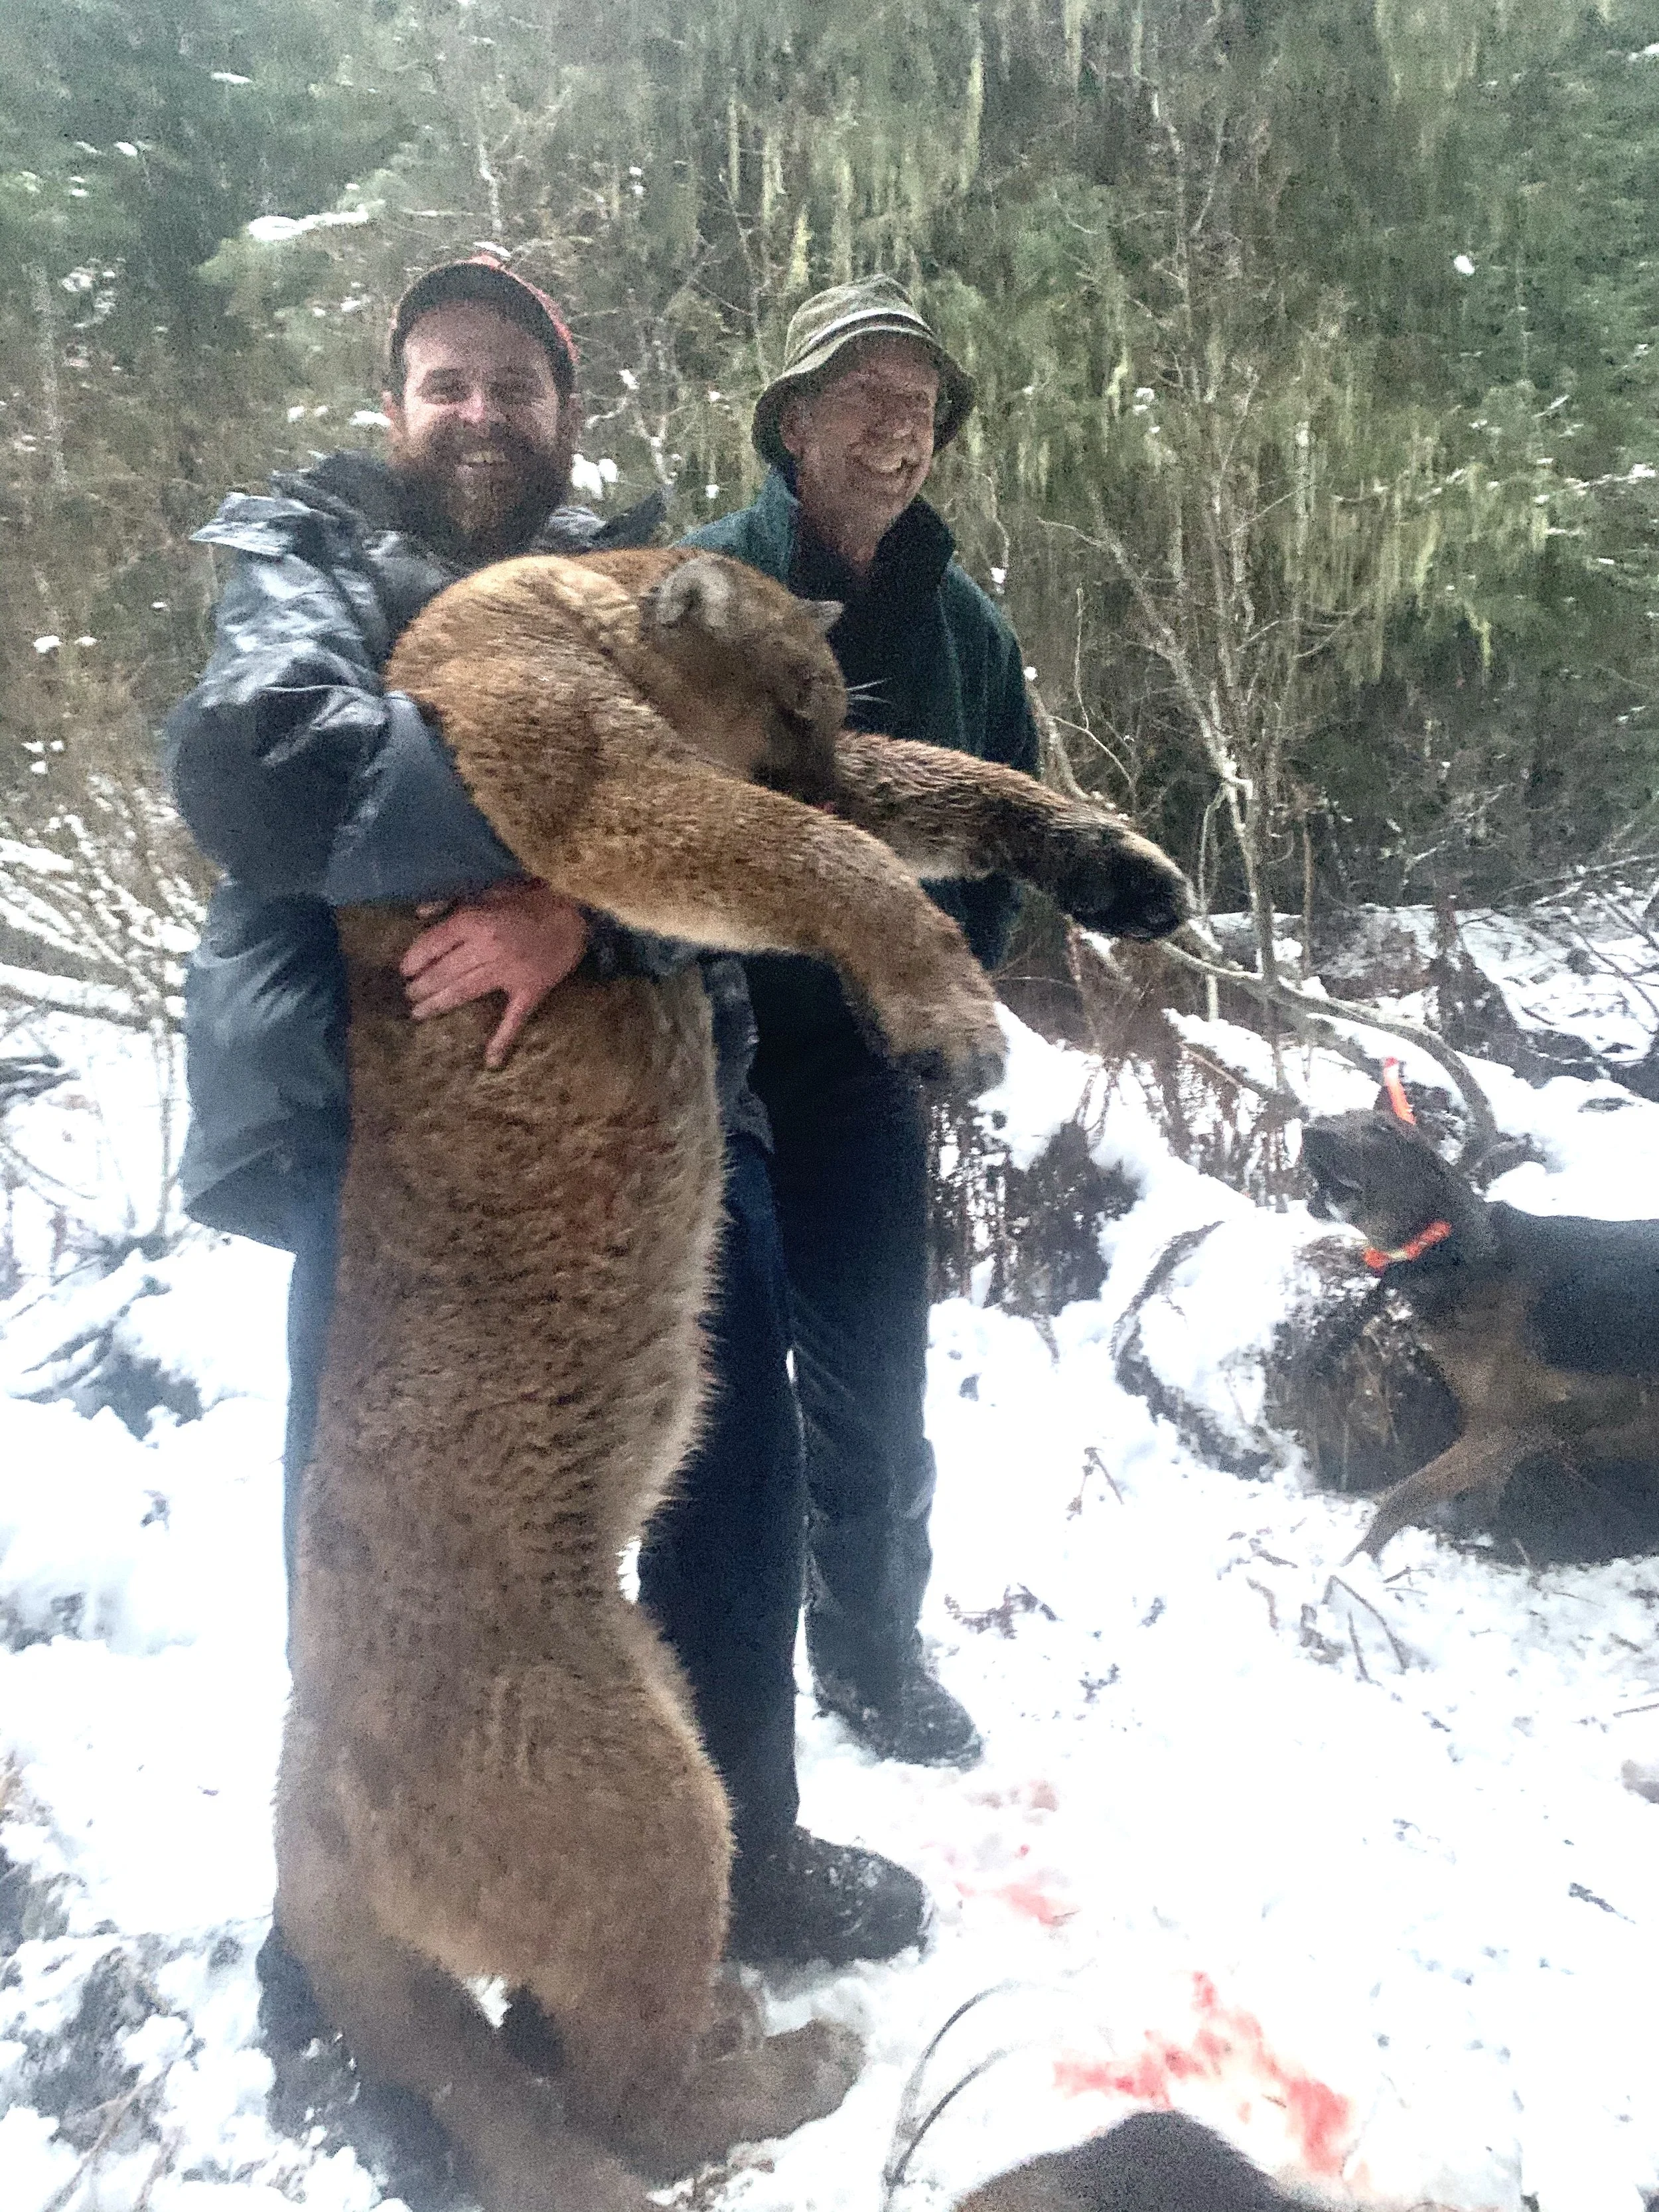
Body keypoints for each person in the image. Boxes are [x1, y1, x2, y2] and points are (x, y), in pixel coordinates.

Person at [165, 256, 926, 1968]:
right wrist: (579, 826)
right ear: (394, 407)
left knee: (734, 1481)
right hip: (407, 1166)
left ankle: (742, 1846)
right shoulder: (308, 559)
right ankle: (346, 1928)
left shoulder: (643, 583)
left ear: (565, 411)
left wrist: (583, 909)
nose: (482, 411)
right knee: (382, 1546)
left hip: (655, 1131)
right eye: (447, 380)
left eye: (516, 382)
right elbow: (270, 773)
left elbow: (747, 814)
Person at [676, 277, 1040, 1771]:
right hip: (702, 1057)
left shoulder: (965, 627)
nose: (895, 434)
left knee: (877, 1402)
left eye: (919, 410)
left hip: (857, 1067)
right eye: (864, 400)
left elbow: (1012, 812)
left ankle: (874, 1660)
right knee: (714, 1416)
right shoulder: (698, 587)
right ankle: (711, 1698)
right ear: (791, 421)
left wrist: (954, 987)